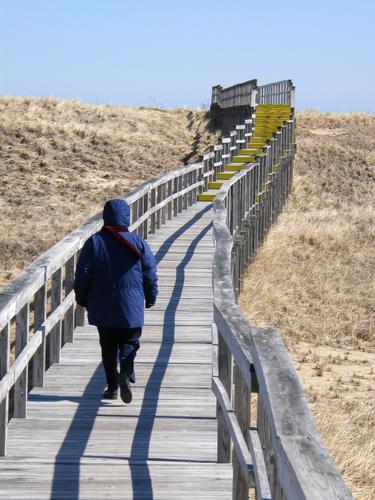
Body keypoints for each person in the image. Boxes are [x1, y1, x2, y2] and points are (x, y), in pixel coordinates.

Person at [73, 198, 158, 404]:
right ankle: (126, 373)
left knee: (108, 346)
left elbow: (83, 273)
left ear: (105, 216)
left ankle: (112, 387)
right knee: (130, 342)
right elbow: (150, 273)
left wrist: (81, 297)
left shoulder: (94, 242)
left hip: (102, 306)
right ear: (126, 217)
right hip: (131, 305)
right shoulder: (138, 243)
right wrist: (151, 296)